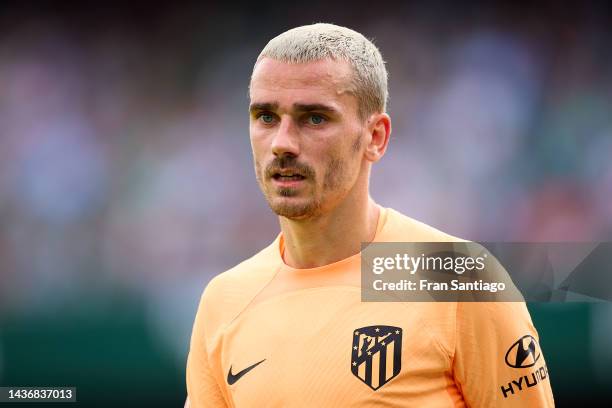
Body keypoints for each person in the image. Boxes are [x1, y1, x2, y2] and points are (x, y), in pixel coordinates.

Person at [185, 23, 554, 407]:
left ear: (375, 136)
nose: (282, 143)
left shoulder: (455, 276)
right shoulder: (225, 300)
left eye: (314, 118)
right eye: (266, 117)